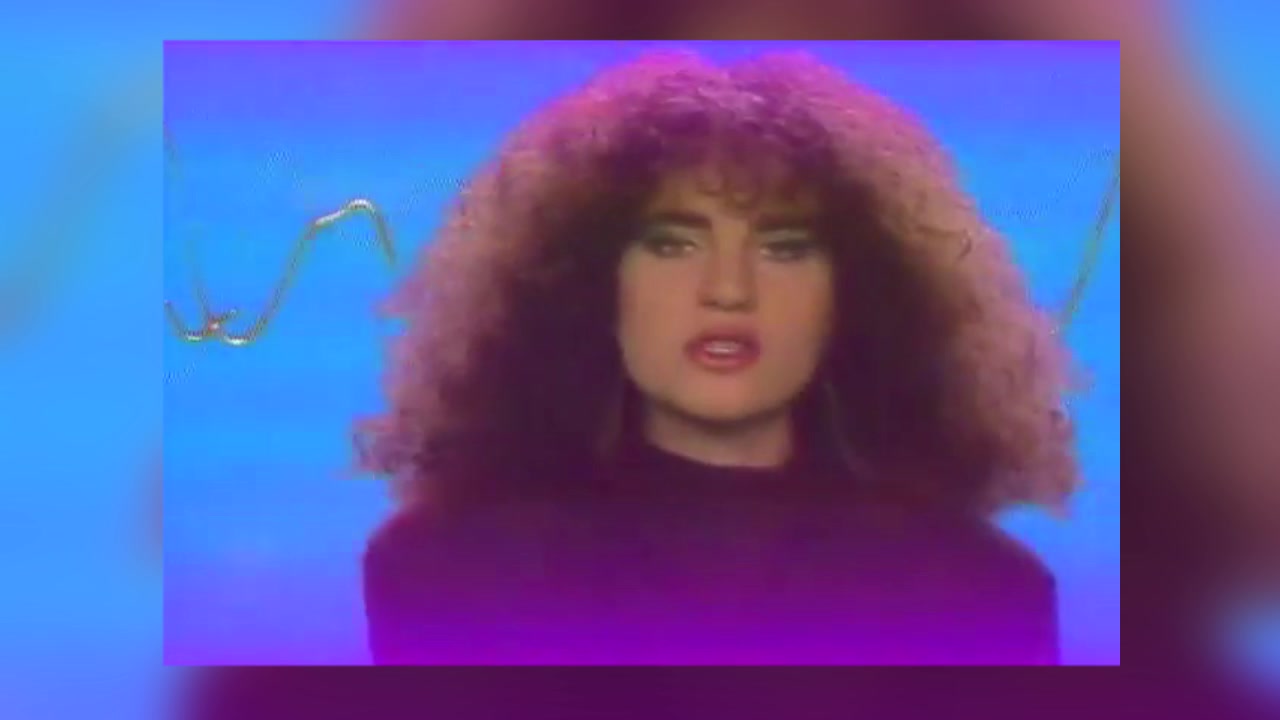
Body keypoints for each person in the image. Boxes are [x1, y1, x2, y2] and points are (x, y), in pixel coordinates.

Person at [353, 49, 1078, 665]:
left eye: (784, 248)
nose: (728, 290)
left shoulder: (979, 592)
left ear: (856, 294)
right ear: (589, 281)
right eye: (673, 243)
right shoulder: (448, 573)